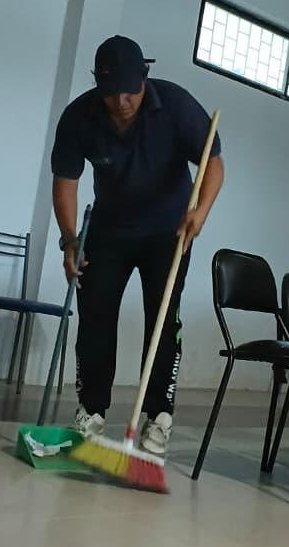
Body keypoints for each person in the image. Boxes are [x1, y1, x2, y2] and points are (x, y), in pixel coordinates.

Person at [51, 35, 223, 457]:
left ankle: (158, 416)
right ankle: (91, 411)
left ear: (144, 78)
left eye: (130, 91)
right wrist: (70, 240)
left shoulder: (176, 105)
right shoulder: (80, 116)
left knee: (163, 319)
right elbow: (65, 182)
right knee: (95, 314)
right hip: (109, 230)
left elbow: (213, 163)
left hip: (169, 232)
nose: (122, 101)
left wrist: (200, 212)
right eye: (111, 93)